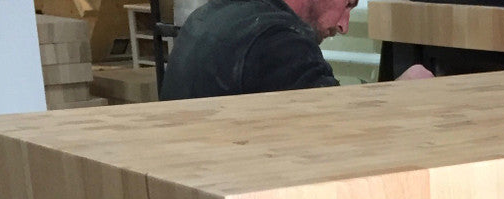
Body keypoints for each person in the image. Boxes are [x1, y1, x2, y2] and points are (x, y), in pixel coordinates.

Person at [161, 0, 429, 100]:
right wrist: (397, 98)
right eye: (348, 4)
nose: (344, 26)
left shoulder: (211, 14)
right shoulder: (277, 42)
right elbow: (342, 133)